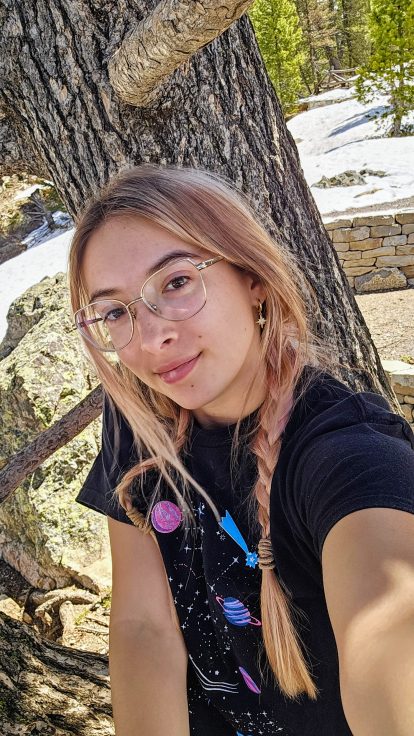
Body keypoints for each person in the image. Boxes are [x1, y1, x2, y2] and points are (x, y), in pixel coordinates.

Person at [69, 165, 414, 736]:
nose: (151, 338)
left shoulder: (347, 456)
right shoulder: (137, 419)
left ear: (252, 276)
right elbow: (143, 628)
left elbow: (389, 624)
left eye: (176, 282)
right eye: (114, 311)